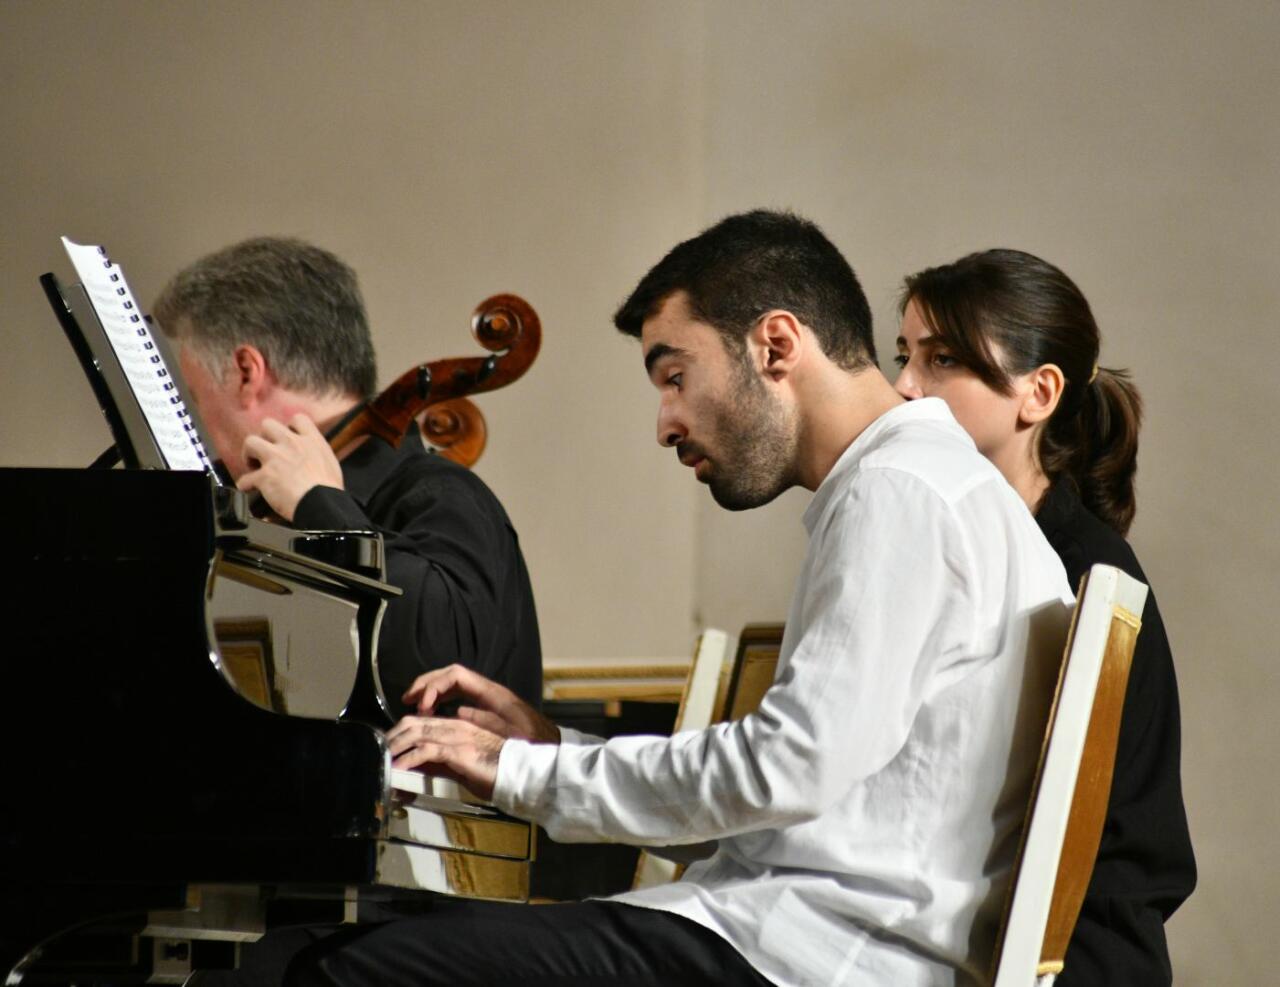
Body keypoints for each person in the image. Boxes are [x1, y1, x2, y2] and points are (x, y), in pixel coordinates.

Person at [283, 210, 1075, 987]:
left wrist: (516, 768)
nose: (665, 424)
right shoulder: (932, 484)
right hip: (801, 938)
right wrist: (557, 748)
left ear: (775, 345)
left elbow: (784, 771)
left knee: (345, 968)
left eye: (675, 376)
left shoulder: (899, 490)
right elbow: (795, 797)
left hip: (803, 956)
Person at [894, 248, 1196, 986]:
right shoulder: (963, 546)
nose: (903, 386)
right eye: (904, 356)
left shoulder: (1086, 570)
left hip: (1069, 959)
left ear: (1039, 392)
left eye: (941, 360)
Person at [153, 236, 542, 712]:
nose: (207, 437)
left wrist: (320, 504)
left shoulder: (445, 496)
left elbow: (442, 666)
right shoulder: (263, 515)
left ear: (245, 371)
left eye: (197, 398)